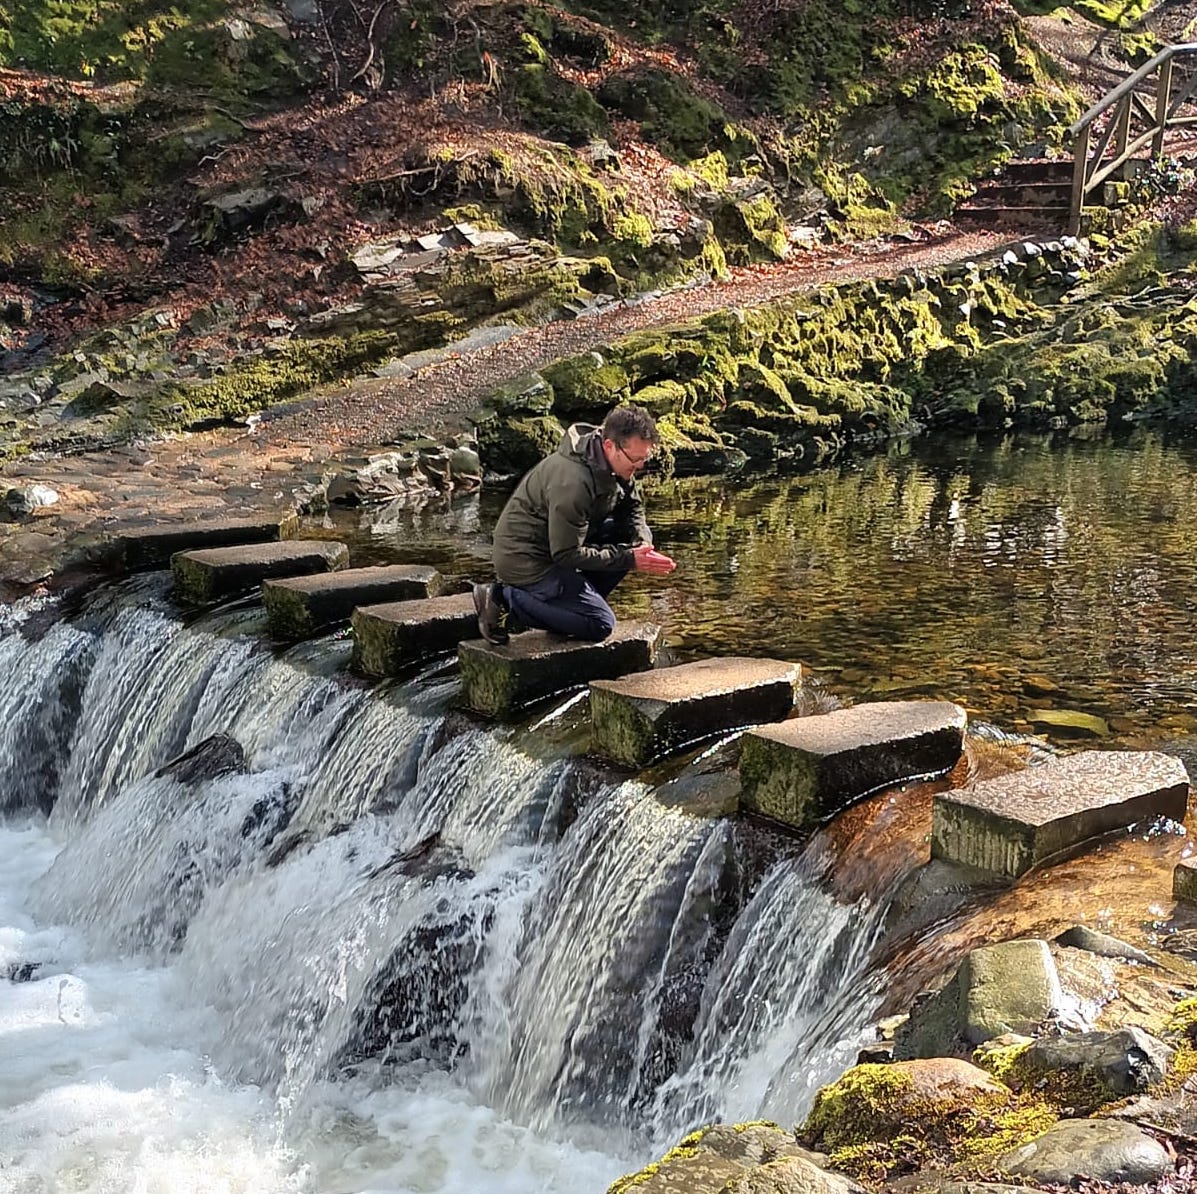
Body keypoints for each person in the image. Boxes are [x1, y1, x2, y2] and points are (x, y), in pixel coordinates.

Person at [473, 405, 676, 645]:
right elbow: (566, 554)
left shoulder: (614, 464)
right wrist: (629, 559)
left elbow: (632, 507)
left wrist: (642, 542)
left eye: (644, 458)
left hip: (559, 544)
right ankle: (504, 598)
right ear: (610, 446)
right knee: (600, 624)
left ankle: (568, 609)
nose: (640, 465)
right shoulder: (573, 482)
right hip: (525, 560)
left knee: (626, 540)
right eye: (636, 459)